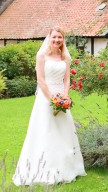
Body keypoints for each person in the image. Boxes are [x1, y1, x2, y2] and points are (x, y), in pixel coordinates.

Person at [13, 26, 86, 185]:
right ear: (49, 37)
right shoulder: (41, 55)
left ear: (63, 39)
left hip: (61, 96)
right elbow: (40, 80)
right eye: (54, 37)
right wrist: (52, 100)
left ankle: (65, 168)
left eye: (59, 37)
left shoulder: (65, 57)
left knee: (63, 133)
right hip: (45, 98)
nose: (57, 40)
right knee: (45, 132)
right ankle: (43, 170)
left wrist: (64, 97)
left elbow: (67, 80)